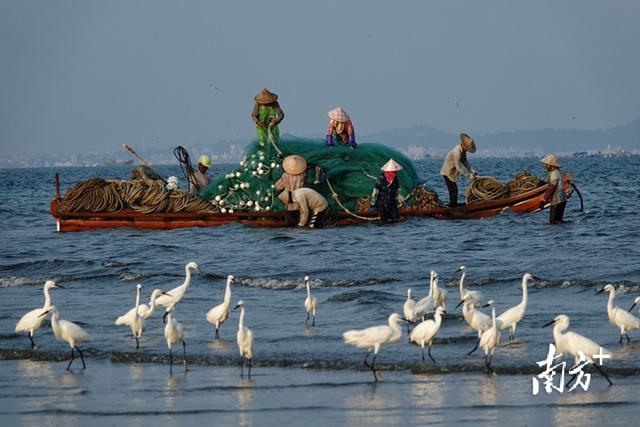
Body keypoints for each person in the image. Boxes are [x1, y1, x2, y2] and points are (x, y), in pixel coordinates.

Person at [440, 133, 478, 207]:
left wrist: (473, 171)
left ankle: (453, 205)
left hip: (452, 172)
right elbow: (458, 167)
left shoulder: (462, 151)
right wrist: (469, 175)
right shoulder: (457, 152)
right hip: (447, 172)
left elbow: (465, 162)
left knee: (454, 190)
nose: (468, 151)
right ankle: (453, 206)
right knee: (453, 190)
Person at [275, 155, 307, 224]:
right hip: (299, 195)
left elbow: (279, 186)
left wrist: (276, 188)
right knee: (299, 210)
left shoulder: (285, 175)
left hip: (289, 195)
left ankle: (289, 224)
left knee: (289, 209)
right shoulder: (303, 175)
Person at [372, 159, 403, 223]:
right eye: (393, 172)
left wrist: (401, 201)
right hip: (382, 204)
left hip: (392, 204)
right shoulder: (380, 180)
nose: (395, 173)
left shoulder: (396, 180)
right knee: (383, 222)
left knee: (396, 221)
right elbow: (375, 193)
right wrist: (373, 204)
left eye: (395, 172)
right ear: (387, 172)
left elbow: (397, 192)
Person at [539, 154, 567, 224]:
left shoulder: (554, 174)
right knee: (558, 221)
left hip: (557, 200)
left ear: (550, 165)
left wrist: (544, 199)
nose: (545, 166)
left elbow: (552, 187)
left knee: (553, 222)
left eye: (546, 164)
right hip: (562, 199)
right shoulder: (556, 172)